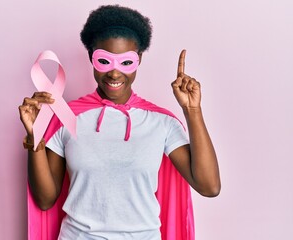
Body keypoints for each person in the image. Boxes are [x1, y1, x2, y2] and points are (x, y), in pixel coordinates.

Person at [19, 5, 220, 240]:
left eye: (125, 62)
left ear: (139, 59)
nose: (115, 74)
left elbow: (209, 187)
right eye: (105, 61)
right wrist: (35, 138)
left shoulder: (161, 122)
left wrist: (192, 110)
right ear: (91, 58)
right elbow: (44, 200)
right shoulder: (67, 116)